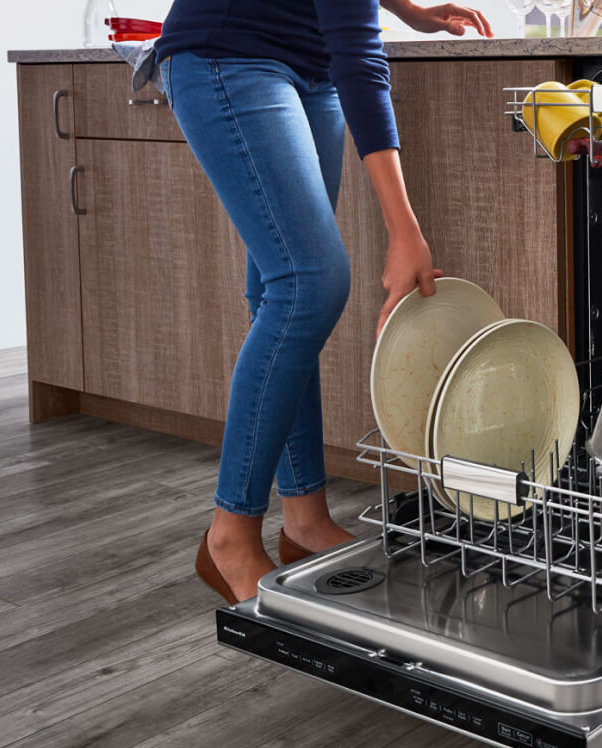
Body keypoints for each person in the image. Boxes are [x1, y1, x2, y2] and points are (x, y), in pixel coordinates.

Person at [155, 0, 493, 604]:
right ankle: (228, 536)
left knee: (282, 293)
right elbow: (361, 59)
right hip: (230, 55)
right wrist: (404, 231)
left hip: (308, 71)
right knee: (309, 284)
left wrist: (405, 10)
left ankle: (304, 520)